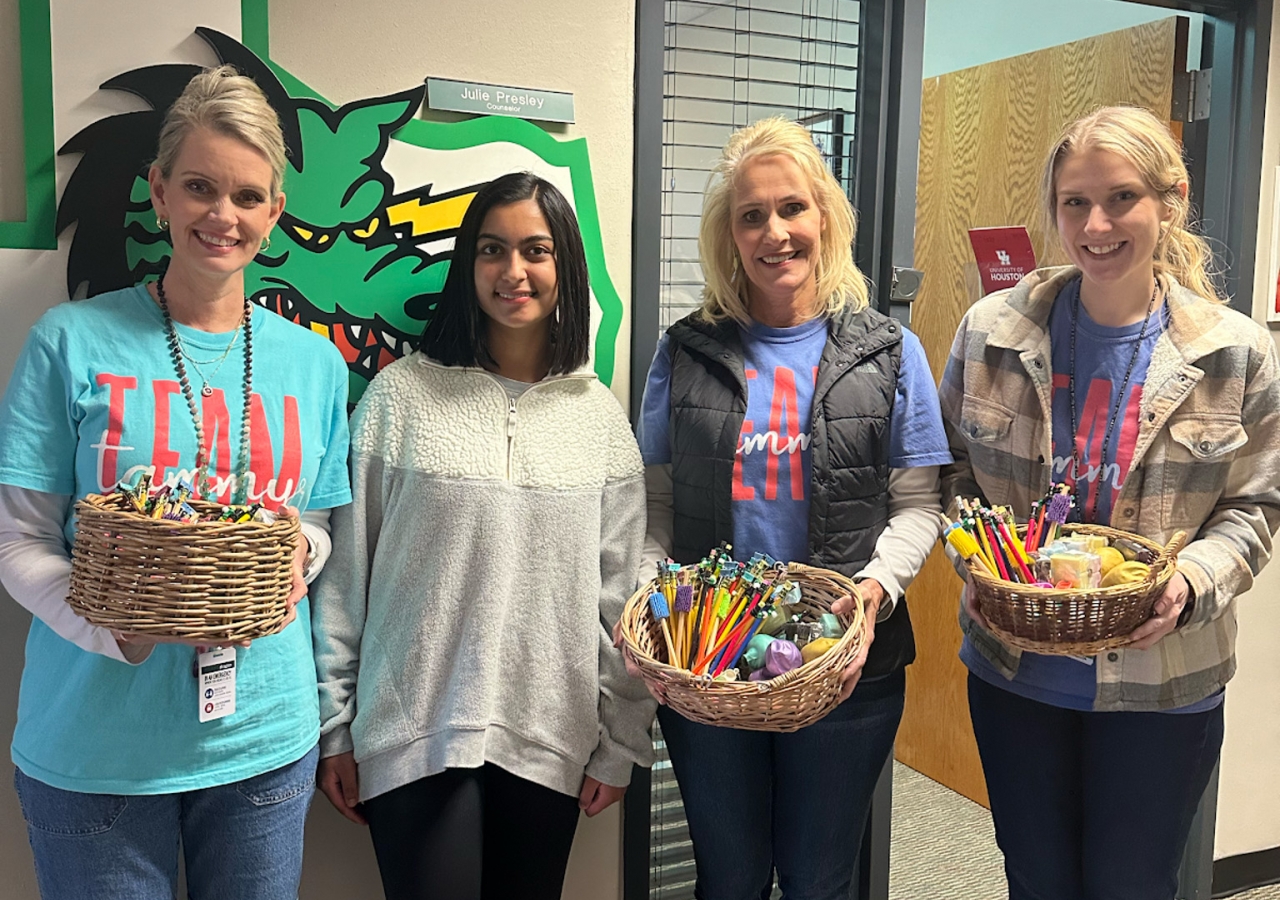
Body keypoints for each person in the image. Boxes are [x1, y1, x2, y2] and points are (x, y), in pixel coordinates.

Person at [0, 65, 351, 899]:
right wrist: (114, 631)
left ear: (274, 212)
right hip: (96, 751)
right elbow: (18, 541)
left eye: (246, 195)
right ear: (159, 193)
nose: (220, 216)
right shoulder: (72, 340)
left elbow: (322, 525)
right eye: (198, 187)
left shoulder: (313, 364)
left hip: (265, 742)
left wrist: (290, 551)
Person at [939, 105, 1280, 900]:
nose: (1096, 224)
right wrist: (982, 562)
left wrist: (1190, 582)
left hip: (1164, 685)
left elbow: (1256, 507)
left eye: (1121, 197)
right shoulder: (992, 329)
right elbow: (951, 475)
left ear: (1170, 202)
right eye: (1074, 202)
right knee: (1037, 881)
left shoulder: (1234, 352)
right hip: (1016, 671)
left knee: (1132, 886)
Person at [311, 171, 655, 900]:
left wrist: (621, 742)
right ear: (468, 265)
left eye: (536, 250)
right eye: (492, 250)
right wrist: (334, 727)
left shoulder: (600, 420)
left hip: (551, 741)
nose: (513, 272)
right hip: (412, 739)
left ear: (566, 266)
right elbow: (345, 580)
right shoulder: (399, 398)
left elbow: (622, 602)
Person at [633, 116, 950, 900]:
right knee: (730, 878)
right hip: (708, 661)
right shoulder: (685, 352)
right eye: (751, 215)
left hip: (848, 666)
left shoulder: (888, 351)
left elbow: (919, 505)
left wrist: (871, 593)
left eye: (792, 209)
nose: (774, 232)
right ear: (729, 235)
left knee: (818, 880)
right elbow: (655, 501)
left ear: (825, 219)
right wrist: (643, 592)